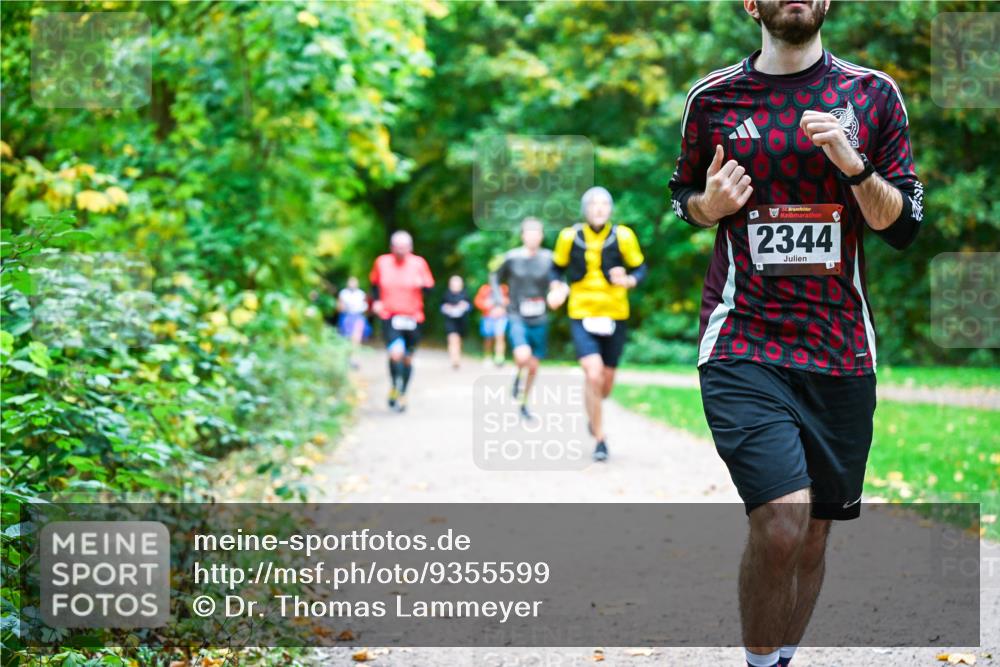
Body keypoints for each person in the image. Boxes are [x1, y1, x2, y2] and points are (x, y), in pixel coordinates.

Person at [668, 2, 924, 665]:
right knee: (780, 520)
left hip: (841, 349)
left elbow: (902, 227)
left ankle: (778, 659)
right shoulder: (715, 98)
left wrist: (854, 165)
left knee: (812, 535)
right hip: (743, 339)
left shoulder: (871, 96)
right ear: (751, 4)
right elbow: (684, 196)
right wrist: (711, 206)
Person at [548, 187, 646, 462]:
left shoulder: (623, 236)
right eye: (593, 204)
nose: (599, 208)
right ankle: (600, 440)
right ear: (585, 209)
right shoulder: (569, 237)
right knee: (593, 373)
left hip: (615, 313)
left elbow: (640, 268)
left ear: (611, 209)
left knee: (605, 384)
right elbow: (556, 268)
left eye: (604, 204)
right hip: (581, 312)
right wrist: (557, 287)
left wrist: (628, 280)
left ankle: (593, 413)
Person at [490, 217, 555, 421]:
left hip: (540, 316)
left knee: (534, 366)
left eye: (537, 233)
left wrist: (558, 291)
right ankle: (518, 375)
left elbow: (559, 280)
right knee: (522, 355)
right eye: (529, 233)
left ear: (542, 236)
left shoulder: (549, 259)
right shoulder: (512, 257)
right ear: (523, 236)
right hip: (517, 314)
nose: (533, 237)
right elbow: (494, 276)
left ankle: (524, 401)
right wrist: (500, 301)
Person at [369, 231, 435, 413]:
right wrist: (376, 301)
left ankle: (403, 392)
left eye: (404, 247)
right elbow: (374, 285)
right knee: (395, 354)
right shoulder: (382, 262)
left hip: (413, 317)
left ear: (410, 248)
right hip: (389, 315)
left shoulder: (419, 263)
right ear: (391, 247)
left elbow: (430, 290)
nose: (401, 251)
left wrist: (423, 284)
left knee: (407, 358)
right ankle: (394, 386)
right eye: (397, 247)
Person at [473, 281, 508, 366]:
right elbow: (477, 301)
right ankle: (488, 356)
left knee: (500, 336)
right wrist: (485, 305)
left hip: (501, 317)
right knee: (488, 338)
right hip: (488, 317)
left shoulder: (504, 288)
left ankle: (499, 357)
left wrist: (503, 308)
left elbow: (510, 300)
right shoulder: (484, 289)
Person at [440, 275, 471, 370]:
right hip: (450, 321)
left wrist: (464, 306)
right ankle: (454, 359)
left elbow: (470, 307)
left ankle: (457, 357)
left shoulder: (465, 294)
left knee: (458, 340)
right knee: (452, 339)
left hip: (461, 322)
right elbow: (441, 307)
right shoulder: (446, 294)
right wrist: (447, 308)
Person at [337, 276, 369, 367]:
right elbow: (339, 307)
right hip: (347, 317)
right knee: (347, 338)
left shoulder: (361, 294)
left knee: (356, 338)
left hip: (358, 316)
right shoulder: (343, 293)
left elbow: (365, 306)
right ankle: (347, 358)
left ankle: (354, 359)